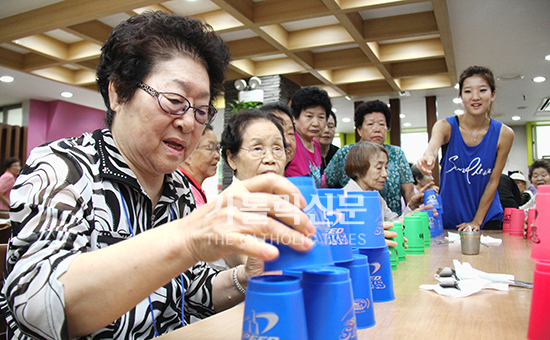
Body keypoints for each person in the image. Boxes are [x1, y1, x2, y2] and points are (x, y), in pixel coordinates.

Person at [0, 12, 314, 340]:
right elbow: (36, 305)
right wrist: (189, 236)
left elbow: (192, 291)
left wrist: (246, 278)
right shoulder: (63, 167)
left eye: (201, 110)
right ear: (118, 93)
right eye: (175, 101)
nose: (189, 122)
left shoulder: (175, 187)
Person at [417, 65, 514, 231]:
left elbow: (493, 181)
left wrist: (477, 221)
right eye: (468, 91)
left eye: (482, 90)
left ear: (493, 94)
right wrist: (428, 156)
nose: (475, 97)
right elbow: (433, 146)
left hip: (487, 217)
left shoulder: (504, 134)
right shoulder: (446, 126)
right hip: (451, 216)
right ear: (461, 96)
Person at [325, 100, 415, 214]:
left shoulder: (397, 154)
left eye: (382, 124)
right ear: (359, 130)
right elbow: (327, 184)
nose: (377, 129)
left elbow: (409, 191)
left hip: (389, 220)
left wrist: (412, 211)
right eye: (370, 124)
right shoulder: (346, 152)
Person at [342, 142, 430, 248]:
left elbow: (394, 223)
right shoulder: (345, 198)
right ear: (358, 169)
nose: (385, 174)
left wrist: (411, 208)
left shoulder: (375, 196)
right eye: (379, 168)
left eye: (386, 167)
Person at [284, 86, 331, 188]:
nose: (316, 123)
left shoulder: (316, 145)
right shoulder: (289, 143)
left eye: (321, 117)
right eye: (309, 116)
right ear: (294, 117)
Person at [221, 109, 287, 182]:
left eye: (277, 149)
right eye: (257, 149)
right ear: (232, 159)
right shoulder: (230, 194)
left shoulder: (294, 193)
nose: (270, 159)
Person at [178, 125, 220, 207]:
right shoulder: (181, 192)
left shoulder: (192, 189)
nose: (217, 156)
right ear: (188, 154)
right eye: (210, 148)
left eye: (217, 149)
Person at [320, 110, 339, 174]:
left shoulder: (340, 155)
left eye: (330, 126)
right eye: (323, 126)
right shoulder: (307, 155)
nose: (326, 130)